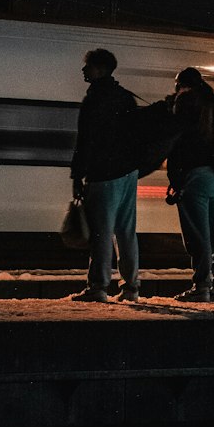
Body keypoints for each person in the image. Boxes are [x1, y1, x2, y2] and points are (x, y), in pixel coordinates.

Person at [68, 48, 141, 303]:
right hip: (128, 173)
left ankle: (98, 287)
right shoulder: (124, 97)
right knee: (126, 231)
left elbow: (85, 141)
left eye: (87, 65)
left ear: (100, 68)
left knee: (101, 232)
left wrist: (78, 176)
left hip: (103, 174)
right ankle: (131, 288)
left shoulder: (95, 98)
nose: (84, 70)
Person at [165, 67, 214, 303]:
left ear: (182, 84)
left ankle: (201, 286)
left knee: (198, 236)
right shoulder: (210, 106)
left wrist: (175, 176)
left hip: (194, 177)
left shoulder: (185, 103)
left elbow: (176, 141)